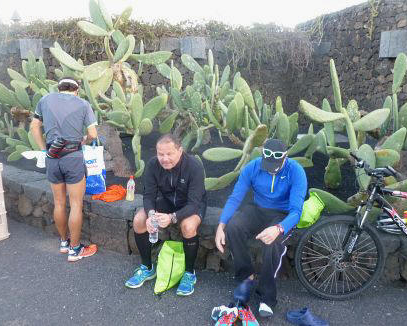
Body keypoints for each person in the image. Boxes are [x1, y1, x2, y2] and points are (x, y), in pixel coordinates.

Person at [214, 138, 307, 321]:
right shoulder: (253, 167)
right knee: (234, 227)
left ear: (285, 157)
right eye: (268, 164)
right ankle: (246, 278)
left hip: (283, 214)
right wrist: (221, 225)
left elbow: (296, 211)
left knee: (272, 245)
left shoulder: (296, 171)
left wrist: (279, 229)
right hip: (258, 210)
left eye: (276, 165)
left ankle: (267, 296)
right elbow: (235, 197)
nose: (271, 168)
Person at [125, 134, 207, 296]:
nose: (164, 158)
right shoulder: (153, 165)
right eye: (160, 154)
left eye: (169, 154)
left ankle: (189, 273)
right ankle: (147, 268)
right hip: (167, 200)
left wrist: (172, 217)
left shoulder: (194, 166)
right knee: (139, 220)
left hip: (190, 204)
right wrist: (150, 214)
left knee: (188, 226)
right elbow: (148, 196)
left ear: (180, 151)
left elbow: (194, 203)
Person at [30, 77, 98, 262]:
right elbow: (93, 134)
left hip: (52, 157)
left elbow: (34, 126)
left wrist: (44, 148)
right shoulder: (83, 104)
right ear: (77, 90)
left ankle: (64, 243)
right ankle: (75, 250)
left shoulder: (44, 100)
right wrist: (85, 141)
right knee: (76, 204)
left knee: (59, 203)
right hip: (73, 157)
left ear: (59, 88)